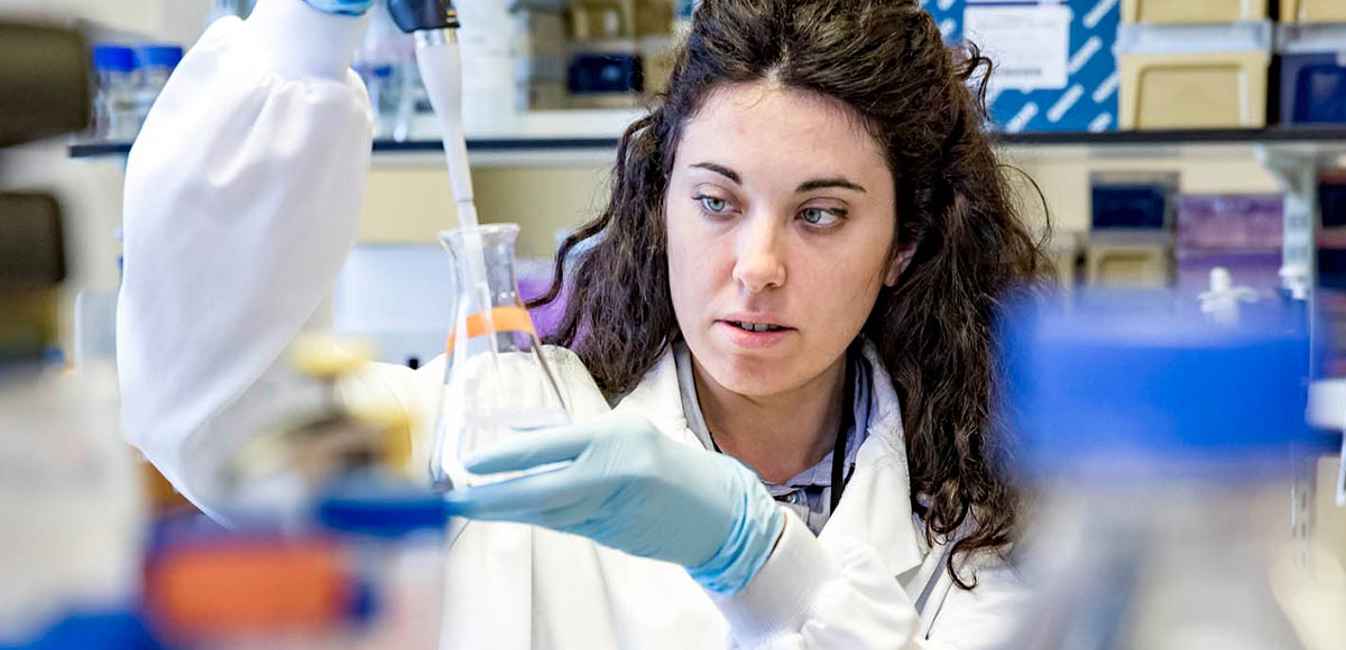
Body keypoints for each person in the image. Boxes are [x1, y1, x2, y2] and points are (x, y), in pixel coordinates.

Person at [117, 0, 1050, 647]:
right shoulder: (514, 427)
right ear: (660, 206)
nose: (757, 267)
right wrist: (303, 38)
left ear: (905, 246)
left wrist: (760, 559)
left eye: (819, 215)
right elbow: (217, 416)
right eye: (718, 202)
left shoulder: (975, 529)